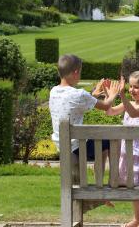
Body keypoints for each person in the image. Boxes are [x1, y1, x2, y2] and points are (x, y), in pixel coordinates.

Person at [49, 54, 121, 212]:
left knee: (102, 144)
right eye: (80, 72)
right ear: (75, 72)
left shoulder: (54, 91)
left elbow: (75, 103)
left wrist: (93, 93)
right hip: (77, 147)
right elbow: (106, 106)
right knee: (110, 140)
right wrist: (114, 93)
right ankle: (111, 183)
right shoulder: (79, 94)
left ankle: (99, 187)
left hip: (64, 146)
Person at [106, 71, 139, 227]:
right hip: (128, 153)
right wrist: (110, 95)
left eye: (136, 87)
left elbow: (134, 113)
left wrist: (121, 95)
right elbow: (109, 112)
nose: (131, 90)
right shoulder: (129, 103)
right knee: (133, 186)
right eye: (130, 86)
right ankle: (137, 219)